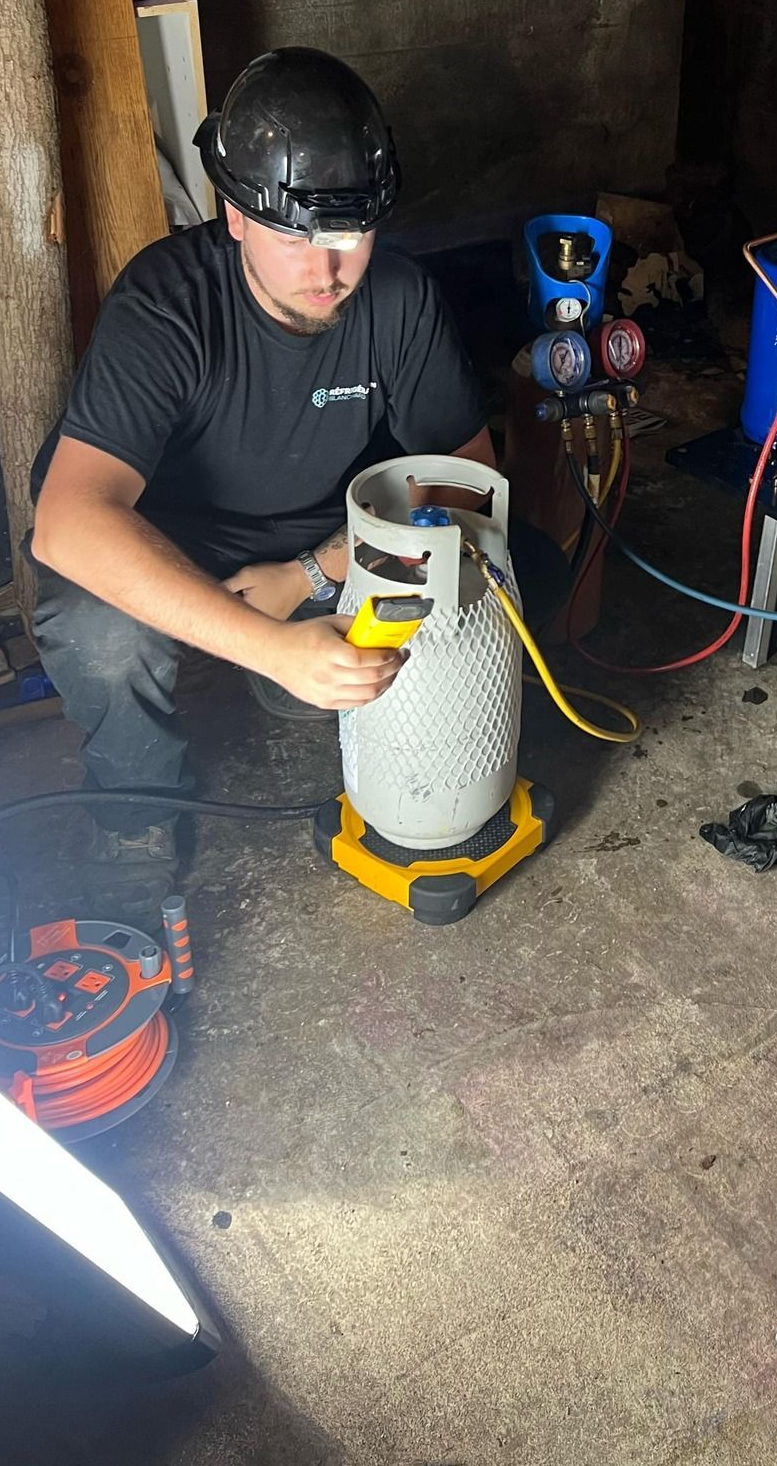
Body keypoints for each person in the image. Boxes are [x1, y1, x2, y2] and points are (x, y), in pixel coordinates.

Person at [30, 48, 499, 906]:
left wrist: (310, 575)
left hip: (325, 542)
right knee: (99, 631)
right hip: (175, 540)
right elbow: (68, 522)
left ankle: (313, 677)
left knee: (496, 566)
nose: (326, 272)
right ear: (236, 215)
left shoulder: (397, 296)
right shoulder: (167, 304)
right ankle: (138, 810)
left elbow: (465, 475)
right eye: (294, 238)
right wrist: (271, 647)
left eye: (348, 236)